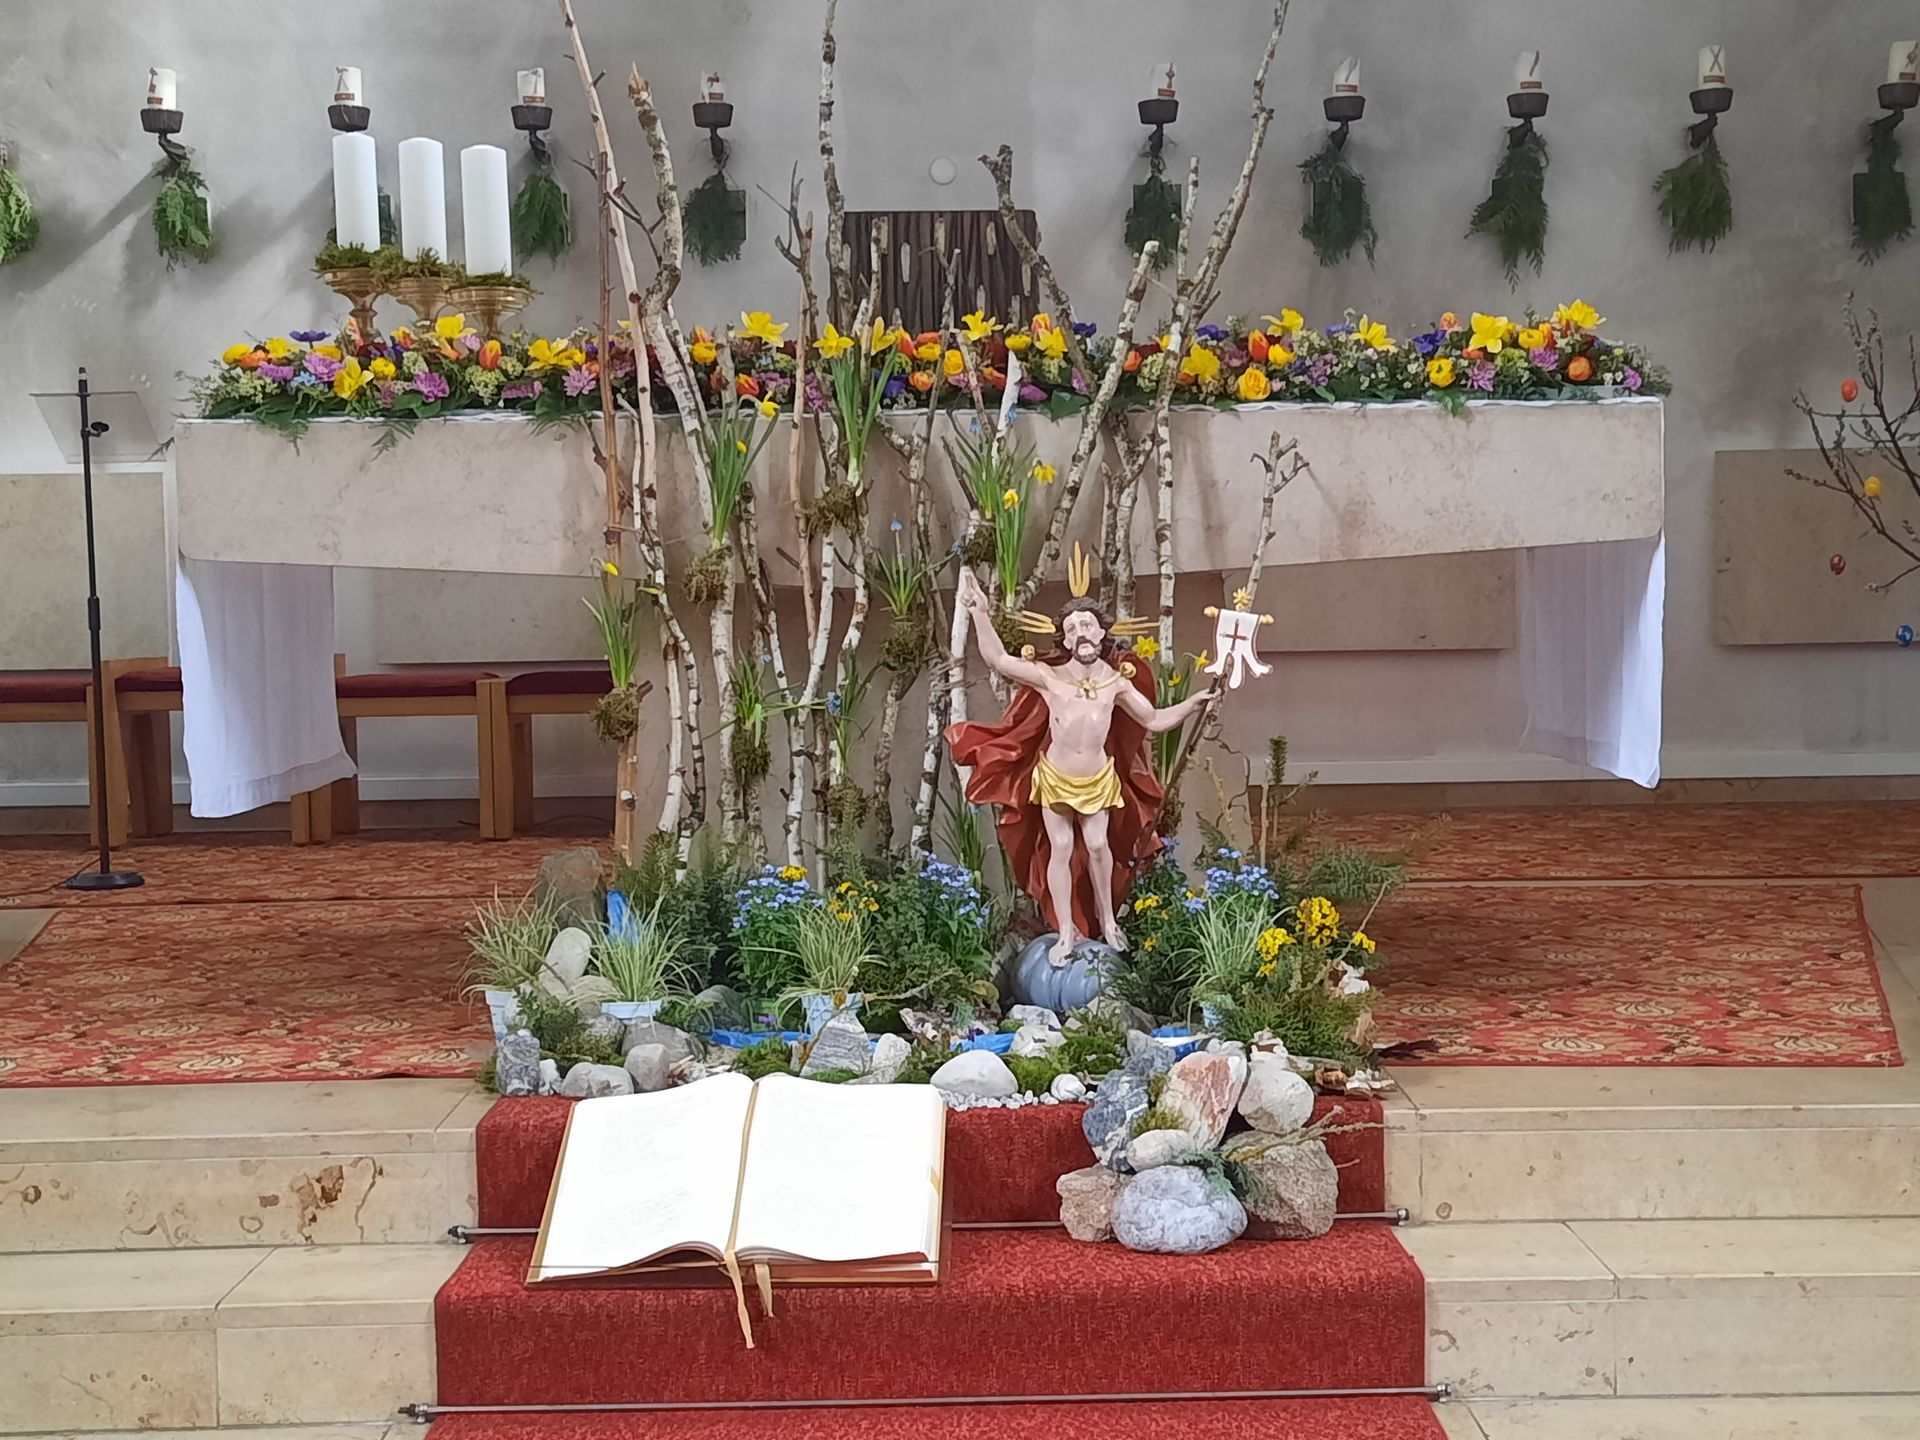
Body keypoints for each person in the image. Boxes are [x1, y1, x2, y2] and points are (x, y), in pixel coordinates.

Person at [947, 567, 1216, 964]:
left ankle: (1108, 920)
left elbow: (1153, 719)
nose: (1081, 634)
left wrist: (1192, 704)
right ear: (1065, 639)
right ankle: (1065, 932)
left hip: (1097, 779)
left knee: (1097, 845)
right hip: (1056, 777)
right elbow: (999, 659)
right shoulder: (1050, 677)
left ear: (1102, 632)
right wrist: (980, 613)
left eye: (1087, 625)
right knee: (1060, 847)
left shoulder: (1116, 683)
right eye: (1072, 629)